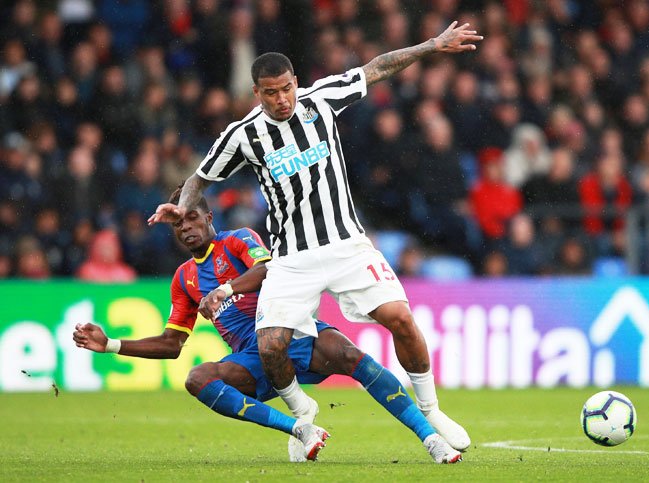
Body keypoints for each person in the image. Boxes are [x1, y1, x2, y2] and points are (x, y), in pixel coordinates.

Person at [148, 22, 482, 452]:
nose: (281, 99)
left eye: (286, 88)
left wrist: (432, 45)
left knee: (399, 317)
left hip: (346, 244)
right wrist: (182, 204)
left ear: (296, 83)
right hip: (290, 258)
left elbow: (377, 67)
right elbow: (200, 177)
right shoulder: (242, 135)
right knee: (271, 347)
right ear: (257, 93)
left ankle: (431, 407)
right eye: (270, 92)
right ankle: (301, 410)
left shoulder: (321, 100)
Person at [75, 184, 462, 464]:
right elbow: (172, 343)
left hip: (293, 332)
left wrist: (226, 289)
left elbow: (267, 268)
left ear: (209, 218)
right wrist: (111, 345)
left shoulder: (238, 240)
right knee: (197, 379)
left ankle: (429, 437)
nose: (187, 227)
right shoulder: (183, 279)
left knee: (351, 355)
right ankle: (299, 428)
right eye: (179, 225)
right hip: (252, 357)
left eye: (193, 217)